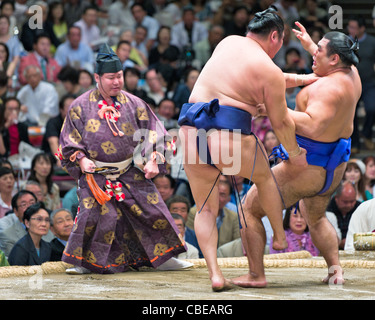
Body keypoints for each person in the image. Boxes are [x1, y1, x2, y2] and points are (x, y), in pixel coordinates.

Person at [178, 7, 311, 291]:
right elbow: (282, 122)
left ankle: (215, 273)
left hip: (190, 133)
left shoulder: (227, 42)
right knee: (264, 178)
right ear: (275, 36)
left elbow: (263, 78)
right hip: (230, 136)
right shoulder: (268, 70)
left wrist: (300, 79)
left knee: (204, 208)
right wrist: (296, 154)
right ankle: (278, 235)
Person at [232, 22, 362, 288]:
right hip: (334, 163)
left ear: (334, 58)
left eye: (320, 50)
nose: (314, 54)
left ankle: (256, 275)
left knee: (248, 210)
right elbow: (332, 64)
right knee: (314, 216)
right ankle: (335, 270)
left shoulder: (326, 89)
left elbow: (313, 124)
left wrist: (272, 108)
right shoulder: (352, 74)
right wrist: (311, 45)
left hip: (306, 165)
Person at [58, 43, 189, 274]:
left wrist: (153, 159)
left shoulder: (135, 103)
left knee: (154, 210)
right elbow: (69, 140)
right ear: (97, 77)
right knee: (94, 215)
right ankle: (87, 264)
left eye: (119, 76)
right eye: (111, 77)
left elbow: (157, 133)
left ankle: (164, 258)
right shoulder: (79, 106)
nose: (117, 81)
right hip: (95, 173)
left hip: (130, 169)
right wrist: (81, 160)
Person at [347, 16, 375, 152]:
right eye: (349, 26)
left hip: (369, 82)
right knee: (351, 114)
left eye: (353, 27)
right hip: (351, 83)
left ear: (362, 28)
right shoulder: (345, 42)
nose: (350, 30)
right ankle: (355, 144)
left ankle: (367, 133)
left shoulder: (372, 42)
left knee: (372, 109)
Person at [41, 94, 76, 164]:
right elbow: (53, 142)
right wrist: (60, 159)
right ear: (61, 109)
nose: (72, 109)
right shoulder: (53, 122)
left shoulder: (80, 122)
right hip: (53, 155)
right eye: (68, 106)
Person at [326, 181, 361, 250]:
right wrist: (339, 242)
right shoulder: (327, 209)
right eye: (345, 202)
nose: (349, 205)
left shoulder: (360, 208)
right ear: (336, 198)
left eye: (352, 201)